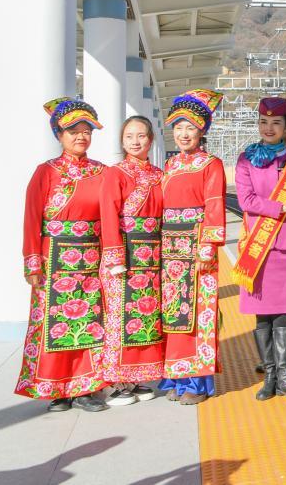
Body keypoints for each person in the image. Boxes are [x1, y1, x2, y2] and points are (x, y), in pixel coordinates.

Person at [15, 98, 108, 412]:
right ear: (59, 135)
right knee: (54, 325)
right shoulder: (46, 172)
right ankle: (57, 389)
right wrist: (32, 261)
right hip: (53, 260)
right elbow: (32, 218)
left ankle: (86, 388)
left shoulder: (102, 172)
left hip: (92, 260)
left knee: (90, 322)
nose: (81, 136)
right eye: (73, 131)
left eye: (87, 131)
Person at [233, 97, 286, 401]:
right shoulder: (245, 159)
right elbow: (246, 201)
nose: (269, 128)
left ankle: (285, 378)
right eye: (264, 122)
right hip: (256, 246)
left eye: (276, 122)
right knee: (262, 316)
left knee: (283, 316)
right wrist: (283, 206)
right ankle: (269, 377)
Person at [158, 89, 226, 405]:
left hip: (197, 248)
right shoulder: (169, 165)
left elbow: (214, 205)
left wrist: (207, 247)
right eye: (179, 127)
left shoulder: (211, 164)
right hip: (169, 250)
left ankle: (197, 382)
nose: (184, 134)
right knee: (173, 313)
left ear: (202, 132)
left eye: (191, 128)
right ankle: (176, 376)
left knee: (197, 314)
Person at [98, 115, 165, 406]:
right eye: (129, 137)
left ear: (151, 139)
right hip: (123, 253)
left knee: (145, 317)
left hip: (151, 255)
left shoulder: (160, 175)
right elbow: (108, 214)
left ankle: (138, 378)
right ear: (122, 141)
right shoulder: (115, 174)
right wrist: (114, 257)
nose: (135, 142)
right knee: (119, 317)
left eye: (140, 136)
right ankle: (116, 382)